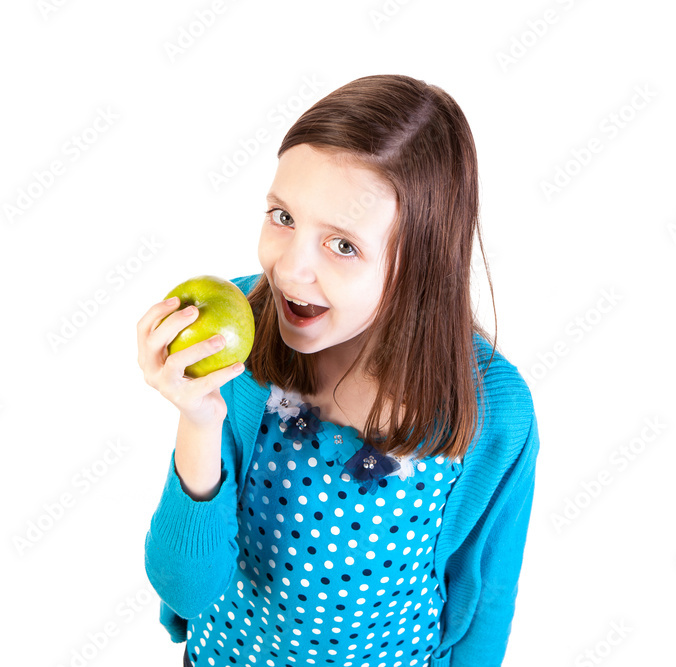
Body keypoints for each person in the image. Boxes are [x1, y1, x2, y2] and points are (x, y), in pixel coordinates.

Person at [137, 74, 540, 667]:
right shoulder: (237, 350)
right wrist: (198, 419)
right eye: (282, 216)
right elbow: (186, 589)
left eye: (343, 245)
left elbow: (485, 605)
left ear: (420, 263)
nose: (291, 269)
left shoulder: (494, 412)